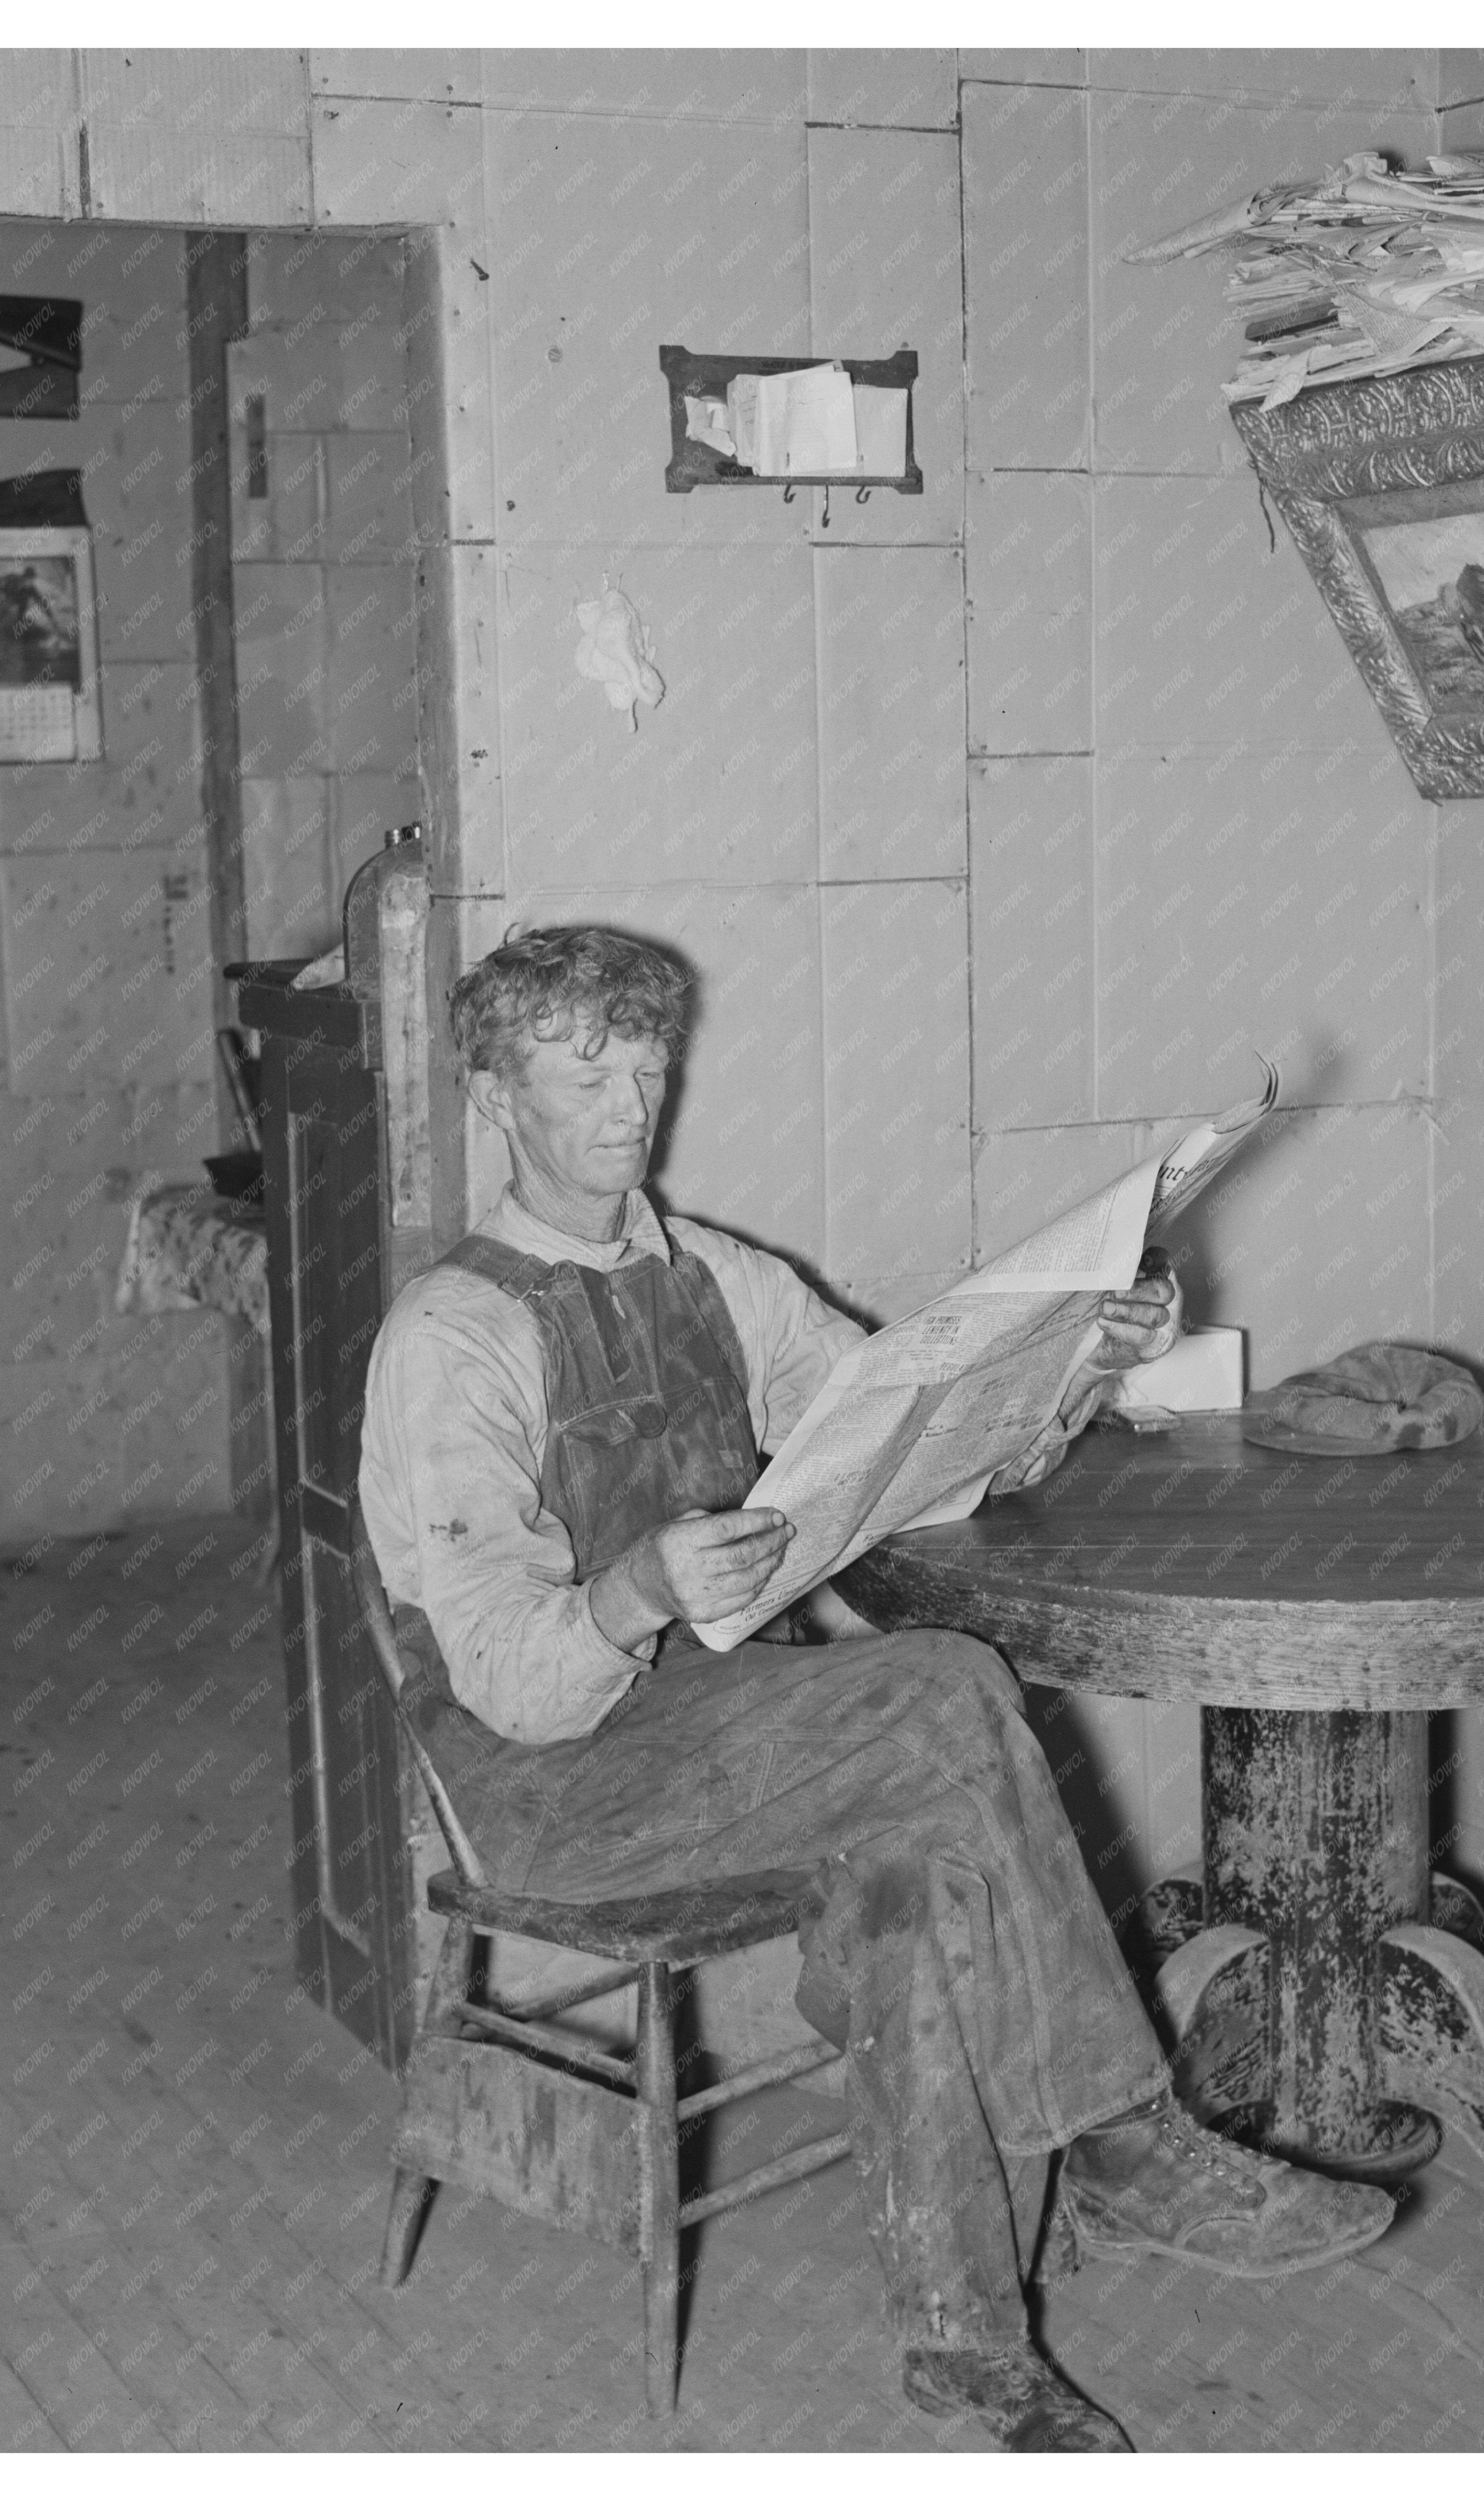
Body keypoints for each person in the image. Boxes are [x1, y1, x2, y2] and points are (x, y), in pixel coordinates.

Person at [360, 925, 1392, 2452]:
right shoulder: (455, 1336)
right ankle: (1117, 2132)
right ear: (494, 1096)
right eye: (580, 1073)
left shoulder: (714, 1278)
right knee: (934, 1697)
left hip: (736, 1738)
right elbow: (510, 1683)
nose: (624, 1103)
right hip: (554, 1782)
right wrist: (638, 1585)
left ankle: (966, 2344)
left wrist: (1074, 1367)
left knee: (915, 1857)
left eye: (645, 1066)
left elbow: (919, 1451)